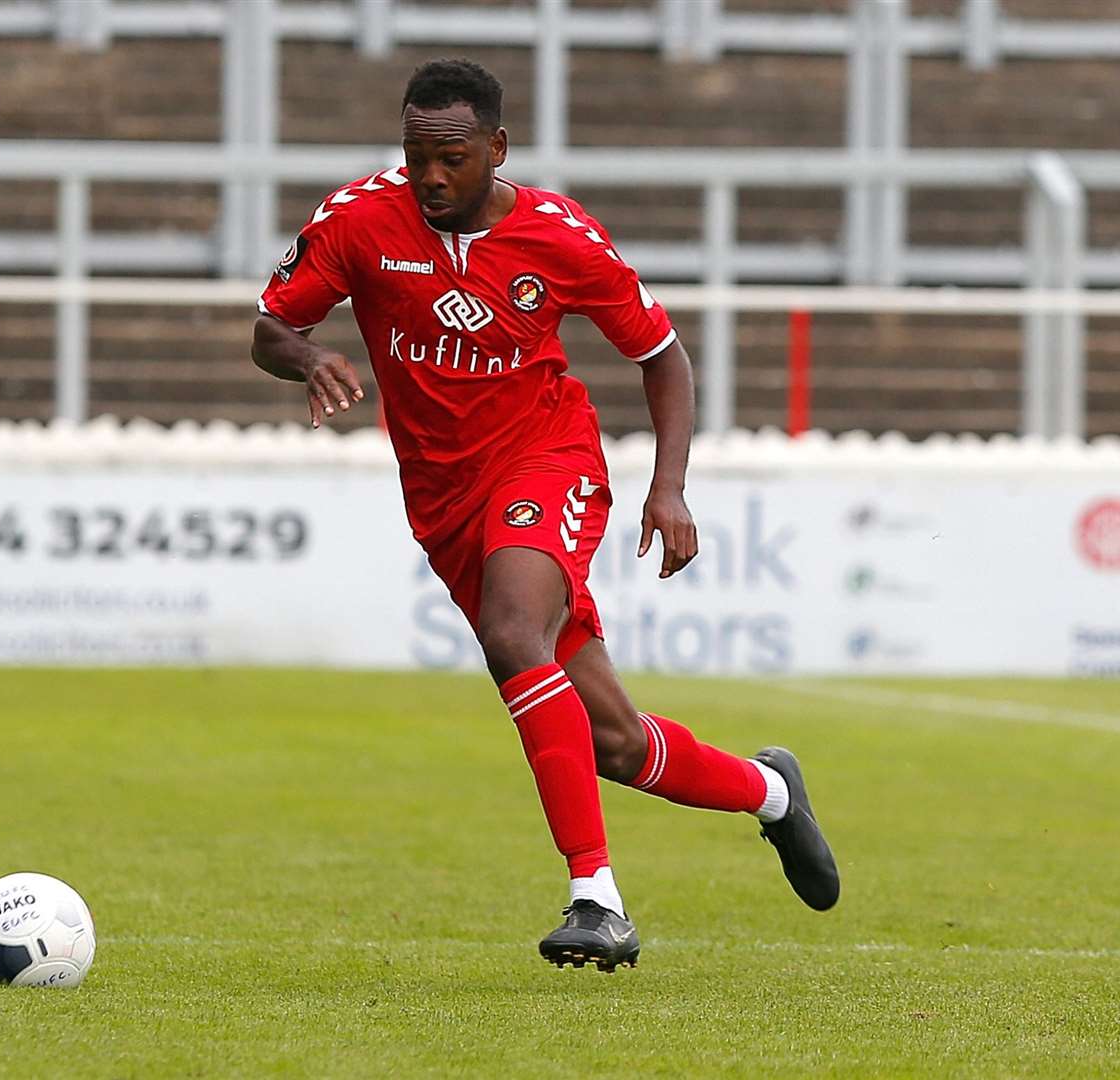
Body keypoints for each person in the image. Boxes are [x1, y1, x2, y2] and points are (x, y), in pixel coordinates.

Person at [252, 59, 839, 972]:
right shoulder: (359, 220)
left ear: (496, 147)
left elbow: (663, 355)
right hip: (443, 501)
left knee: (511, 628)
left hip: (547, 458)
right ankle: (770, 793)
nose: (430, 177)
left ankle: (595, 898)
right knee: (609, 741)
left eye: (449, 156)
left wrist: (669, 484)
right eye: (415, 156)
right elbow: (269, 326)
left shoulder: (560, 237)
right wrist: (306, 358)